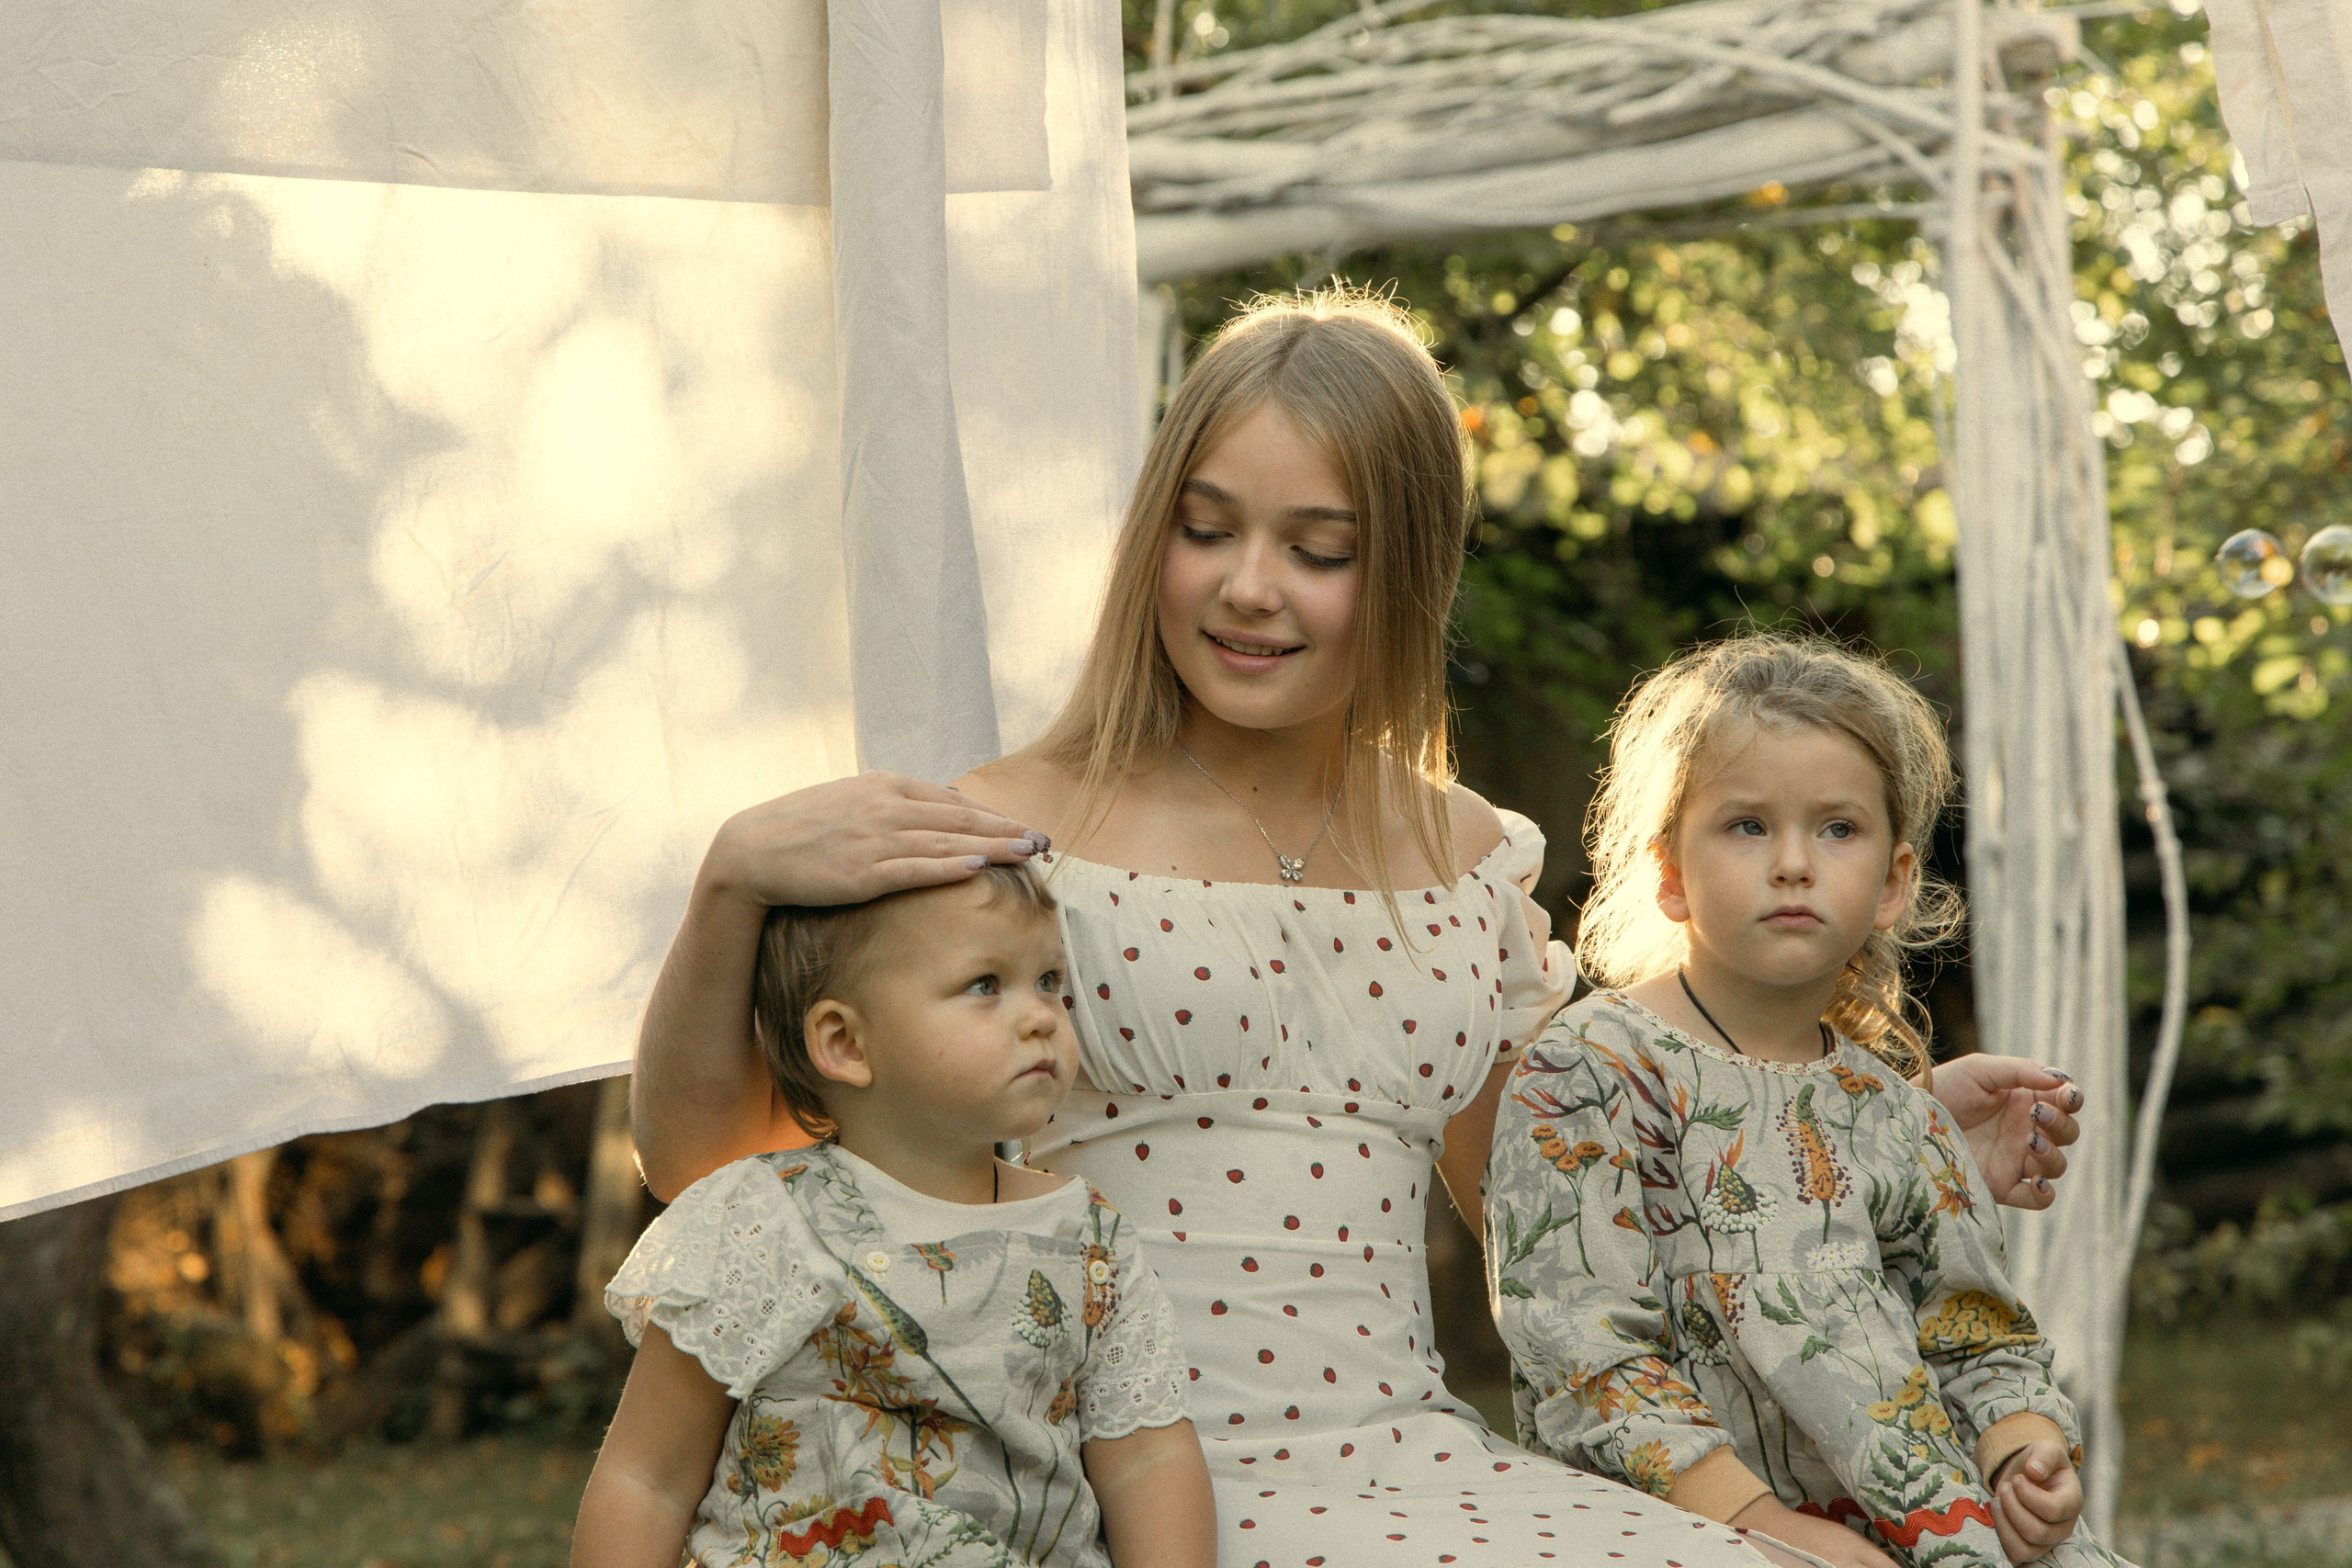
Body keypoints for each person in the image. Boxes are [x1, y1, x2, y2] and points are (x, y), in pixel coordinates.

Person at [627, 288, 2085, 1567]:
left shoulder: (1462, 863)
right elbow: (717, 1170)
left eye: (1315, 547)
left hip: (1403, 1454)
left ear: (1403, 570)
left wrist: (1854, 1121)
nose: (1249, 584)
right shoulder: (1002, 840)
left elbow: (1563, 1194)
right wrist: (729, 886)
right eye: (1207, 529)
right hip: (1101, 1473)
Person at [1486, 635, 2129, 1568]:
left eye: (1836, 829)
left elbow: (1975, 1332)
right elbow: (1578, 1351)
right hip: (1679, 1525)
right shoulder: (1588, 1069)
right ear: (1669, 870)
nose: (1793, 862)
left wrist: (2023, 1451)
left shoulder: (1891, 1110)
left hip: (1921, 1523)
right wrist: (1766, 1529)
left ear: (1893, 882)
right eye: (1746, 825)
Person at [574, 865, 1214, 1568]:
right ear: (846, 1042)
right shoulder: (762, 1219)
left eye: (1049, 981)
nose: (1041, 1016)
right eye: (984, 985)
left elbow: (1146, 1459)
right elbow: (647, 1478)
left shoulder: (1087, 1241)